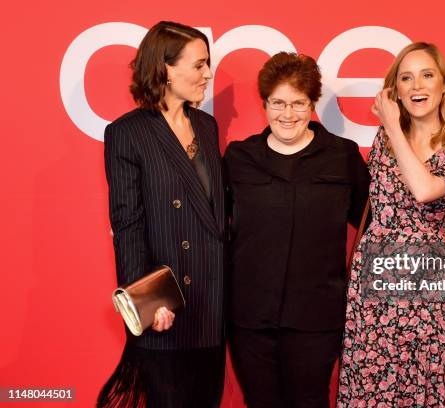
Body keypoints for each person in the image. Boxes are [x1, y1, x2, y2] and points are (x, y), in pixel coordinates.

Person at [336, 42, 445, 407]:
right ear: (396, 92)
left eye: (426, 75)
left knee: (424, 385)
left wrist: (391, 125)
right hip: (372, 289)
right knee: (369, 389)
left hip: (425, 291)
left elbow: (424, 190)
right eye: (406, 78)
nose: (417, 85)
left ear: (443, 86)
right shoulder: (383, 143)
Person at [224, 52, 370, 408]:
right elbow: (212, 226)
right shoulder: (238, 158)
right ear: (264, 104)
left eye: (298, 103)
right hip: (249, 317)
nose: (287, 115)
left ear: (312, 104)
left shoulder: (342, 156)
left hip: (317, 317)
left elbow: (373, 225)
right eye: (278, 103)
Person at [98, 21, 226, 408]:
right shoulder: (128, 132)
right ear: (166, 69)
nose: (208, 73)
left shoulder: (206, 125)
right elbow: (128, 224)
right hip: (167, 306)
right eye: (199, 65)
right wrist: (147, 303)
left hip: (211, 301)